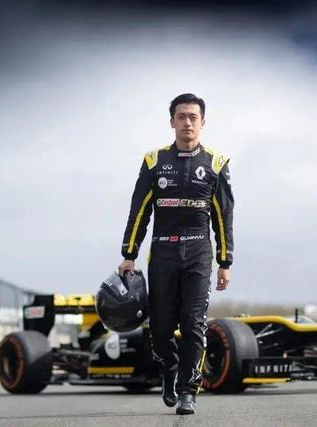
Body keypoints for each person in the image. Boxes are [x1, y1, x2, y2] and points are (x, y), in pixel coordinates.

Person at [118, 93, 234, 415]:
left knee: (194, 323)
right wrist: (129, 253)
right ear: (172, 122)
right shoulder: (153, 161)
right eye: (181, 117)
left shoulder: (217, 162)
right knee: (160, 328)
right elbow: (139, 211)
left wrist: (225, 262)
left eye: (193, 117)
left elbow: (223, 217)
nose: (187, 122)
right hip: (162, 252)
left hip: (198, 253)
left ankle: (187, 391)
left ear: (203, 122)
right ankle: (169, 369)